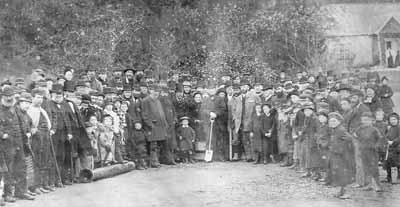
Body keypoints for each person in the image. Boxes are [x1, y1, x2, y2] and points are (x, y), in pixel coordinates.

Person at [0, 87, 28, 203]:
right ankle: (7, 194)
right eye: (7, 96)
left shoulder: (16, 108)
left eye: (11, 96)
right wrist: (2, 135)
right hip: (6, 144)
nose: (10, 98)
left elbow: (22, 123)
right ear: (3, 97)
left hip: (19, 142)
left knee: (21, 167)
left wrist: (25, 135)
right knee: (8, 169)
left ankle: (21, 192)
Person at [14, 92, 36, 200]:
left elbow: (31, 125)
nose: (27, 105)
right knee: (17, 168)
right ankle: (18, 191)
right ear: (20, 103)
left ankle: (22, 190)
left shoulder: (26, 114)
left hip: (24, 145)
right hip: (16, 145)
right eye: (25, 103)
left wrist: (30, 131)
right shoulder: (15, 112)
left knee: (23, 168)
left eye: (29, 103)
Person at [353, 112, 382, 192]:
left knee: (374, 169)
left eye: (367, 120)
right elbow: (355, 135)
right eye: (364, 120)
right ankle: (368, 185)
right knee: (366, 168)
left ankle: (378, 185)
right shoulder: (359, 129)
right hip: (363, 151)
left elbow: (379, 139)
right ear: (361, 120)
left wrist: (376, 146)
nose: (366, 121)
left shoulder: (374, 130)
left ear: (371, 120)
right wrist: (358, 145)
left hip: (372, 152)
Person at [327, 112, 354, 199]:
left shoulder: (341, 130)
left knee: (343, 173)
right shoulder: (334, 130)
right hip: (335, 154)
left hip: (341, 156)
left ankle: (346, 192)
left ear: (339, 122)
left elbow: (349, 138)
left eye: (334, 121)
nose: (332, 123)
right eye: (330, 121)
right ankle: (341, 191)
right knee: (338, 173)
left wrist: (341, 148)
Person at [141, 86, 168, 168]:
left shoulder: (158, 101)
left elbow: (161, 113)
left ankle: (157, 160)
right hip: (152, 126)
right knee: (153, 145)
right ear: (151, 91)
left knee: (159, 144)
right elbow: (144, 115)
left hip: (160, 126)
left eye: (158, 92)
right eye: (155, 91)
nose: (156, 93)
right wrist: (150, 125)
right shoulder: (146, 101)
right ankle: (153, 162)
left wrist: (165, 123)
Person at [384, 112, 400, 184]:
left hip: (397, 148)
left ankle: (398, 178)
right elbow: (386, 136)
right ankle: (389, 177)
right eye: (391, 120)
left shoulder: (399, 128)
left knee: (398, 164)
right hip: (390, 149)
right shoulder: (390, 128)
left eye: (394, 119)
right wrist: (387, 140)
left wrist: (393, 142)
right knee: (388, 163)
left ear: (397, 120)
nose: (393, 121)